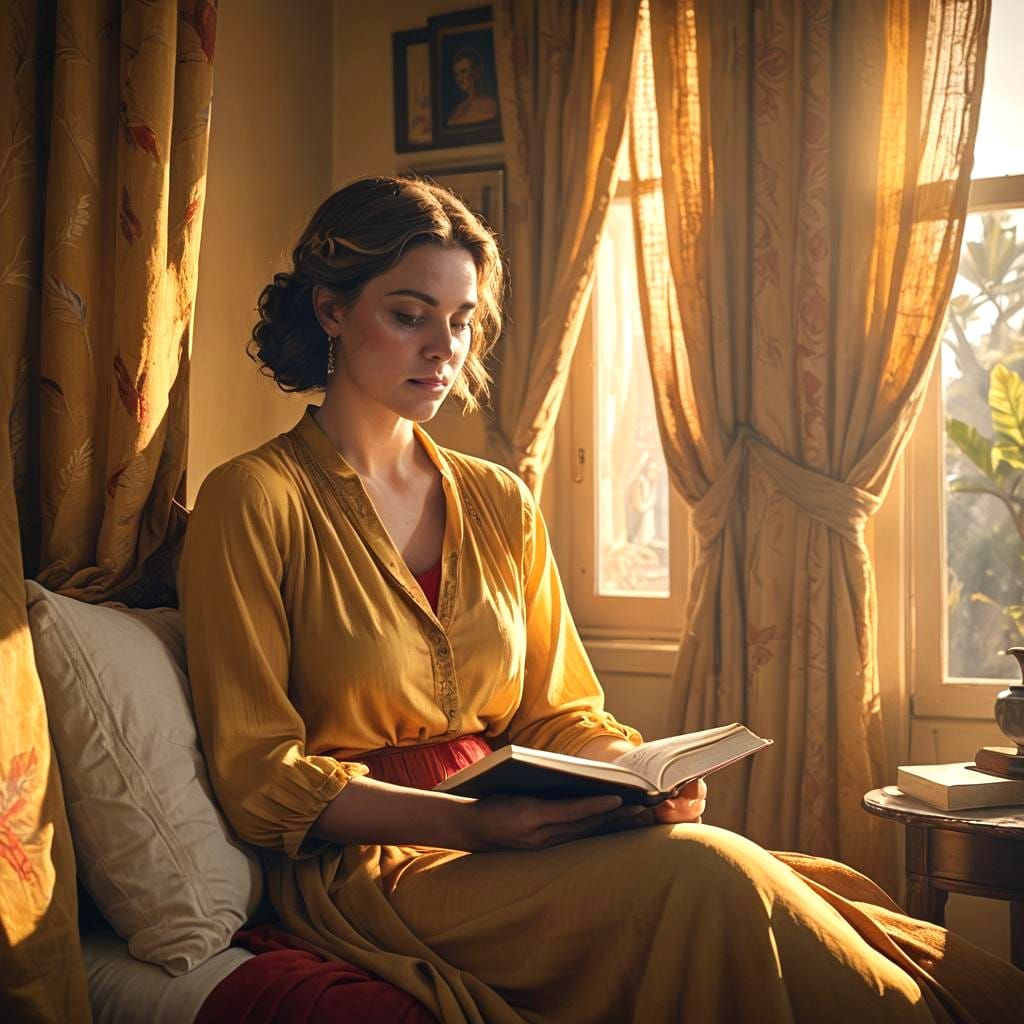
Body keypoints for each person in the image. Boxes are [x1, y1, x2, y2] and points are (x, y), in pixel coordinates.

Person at [178, 175, 1024, 1023]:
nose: (446, 349)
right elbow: (259, 778)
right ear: (331, 311)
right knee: (710, 879)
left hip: (514, 832)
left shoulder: (497, 500)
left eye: (463, 321)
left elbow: (558, 714)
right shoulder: (253, 500)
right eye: (409, 316)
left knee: (757, 872)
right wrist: (476, 828)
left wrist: (636, 777)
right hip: (376, 865)